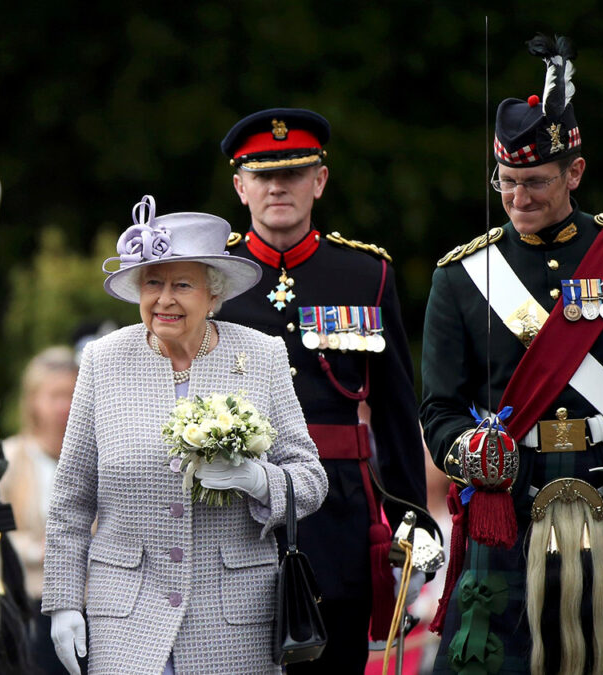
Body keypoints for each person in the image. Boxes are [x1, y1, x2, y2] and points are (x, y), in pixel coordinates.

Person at [42, 194, 327, 674]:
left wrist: (258, 480)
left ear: (213, 295)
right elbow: (72, 499)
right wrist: (64, 601)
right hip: (125, 618)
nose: (164, 299)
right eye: (152, 282)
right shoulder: (102, 361)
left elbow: (312, 480)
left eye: (182, 284)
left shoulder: (263, 356)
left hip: (235, 622)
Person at [421, 35, 603, 673]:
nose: (518, 200)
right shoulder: (461, 277)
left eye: (535, 182)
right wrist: (472, 452)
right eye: (506, 183)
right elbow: (440, 410)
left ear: (575, 172)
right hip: (506, 504)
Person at [215, 107, 429, 672]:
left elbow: (395, 406)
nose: (278, 186)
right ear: (241, 187)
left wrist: (410, 513)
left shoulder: (366, 275)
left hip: (340, 509)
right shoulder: (214, 279)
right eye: (262, 175)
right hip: (239, 507)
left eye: (293, 172)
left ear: (320, 180)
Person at [0, 345, 79, 675]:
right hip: (27, 607)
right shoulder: (9, 458)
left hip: (87, 607)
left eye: (72, 394)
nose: (65, 406)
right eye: (55, 395)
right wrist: (37, 549)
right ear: (33, 400)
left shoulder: (97, 460)